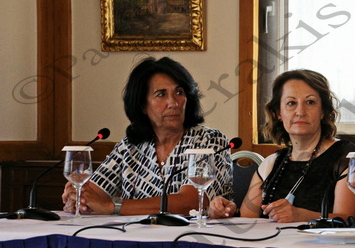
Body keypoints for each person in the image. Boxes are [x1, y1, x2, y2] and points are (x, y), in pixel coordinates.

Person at [61, 57, 232, 216]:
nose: (173, 103)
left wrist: (113, 206)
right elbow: (94, 193)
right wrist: (79, 199)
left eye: (179, 92)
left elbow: (190, 203)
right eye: (161, 94)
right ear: (142, 105)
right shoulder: (130, 146)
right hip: (135, 236)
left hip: (193, 236)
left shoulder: (209, 141)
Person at [209, 69, 355, 223]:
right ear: (279, 113)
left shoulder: (348, 157)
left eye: (310, 102)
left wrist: (300, 216)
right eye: (291, 103)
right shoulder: (271, 163)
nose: (300, 112)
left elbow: (348, 218)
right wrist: (227, 211)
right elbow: (247, 219)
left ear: (323, 111)